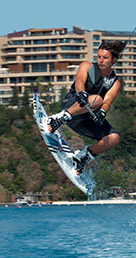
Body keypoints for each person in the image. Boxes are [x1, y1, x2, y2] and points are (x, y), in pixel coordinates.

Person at [47, 40, 126, 175]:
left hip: (86, 119)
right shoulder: (87, 66)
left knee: (113, 138)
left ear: (113, 60)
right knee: (97, 99)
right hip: (72, 106)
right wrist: (82, 93)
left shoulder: (115, 83)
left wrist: (102, 112)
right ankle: (58, 119)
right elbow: (80, 82)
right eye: (99, 57)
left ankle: (83, 156)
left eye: (105, 58)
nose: (101, 60)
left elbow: (108, 101)